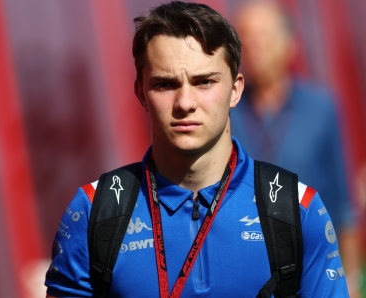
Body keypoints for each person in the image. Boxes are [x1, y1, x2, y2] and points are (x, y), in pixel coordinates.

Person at [45, 1, 349, 297]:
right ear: (140, 92)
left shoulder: (298, 209)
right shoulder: (94, 211)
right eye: (165, 84)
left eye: (204, 82)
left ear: (235, 90)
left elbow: (346, 209)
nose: (185, 103)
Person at [231, 1, 362, 296]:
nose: (254, 47)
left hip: (312, 268)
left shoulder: (321, 108)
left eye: (263, 37)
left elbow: (343, 203)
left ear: (289, 43)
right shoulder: (227, 113)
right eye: (246, 39)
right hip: (248, 273)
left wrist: (350, 278)